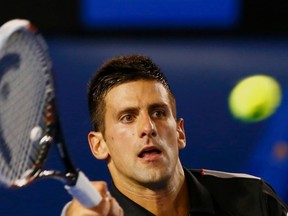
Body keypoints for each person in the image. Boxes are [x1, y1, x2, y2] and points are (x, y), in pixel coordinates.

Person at [62, 55, 288, 216]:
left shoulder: (254, 199)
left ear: (180, 131)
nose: (148, 127)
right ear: (99, 145)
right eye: (128, 117)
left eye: (158, 112)